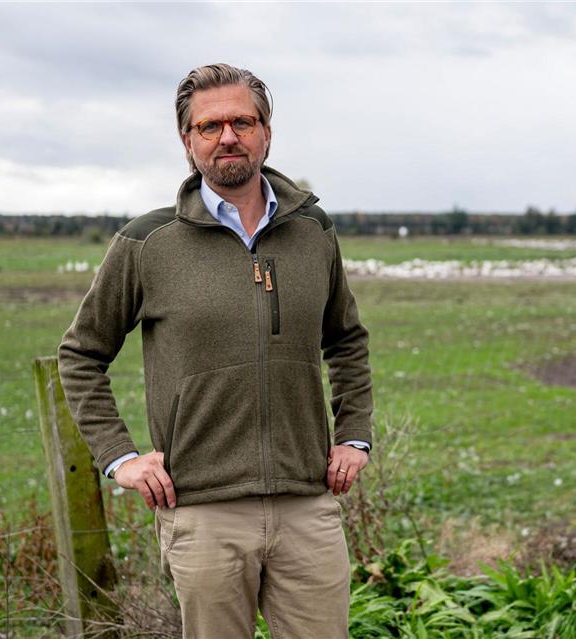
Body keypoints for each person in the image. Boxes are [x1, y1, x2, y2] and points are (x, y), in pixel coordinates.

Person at [58, 63, 373, 638]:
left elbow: (346, 339)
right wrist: (120, 457)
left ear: (266, 131)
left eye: (241, 121)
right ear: (188, 141)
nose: (227, 136)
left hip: (308, 503)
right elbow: (80, 355)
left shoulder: (314, 232)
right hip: (202, 512)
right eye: (209, 126)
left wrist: (354, 435)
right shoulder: (146, 243)